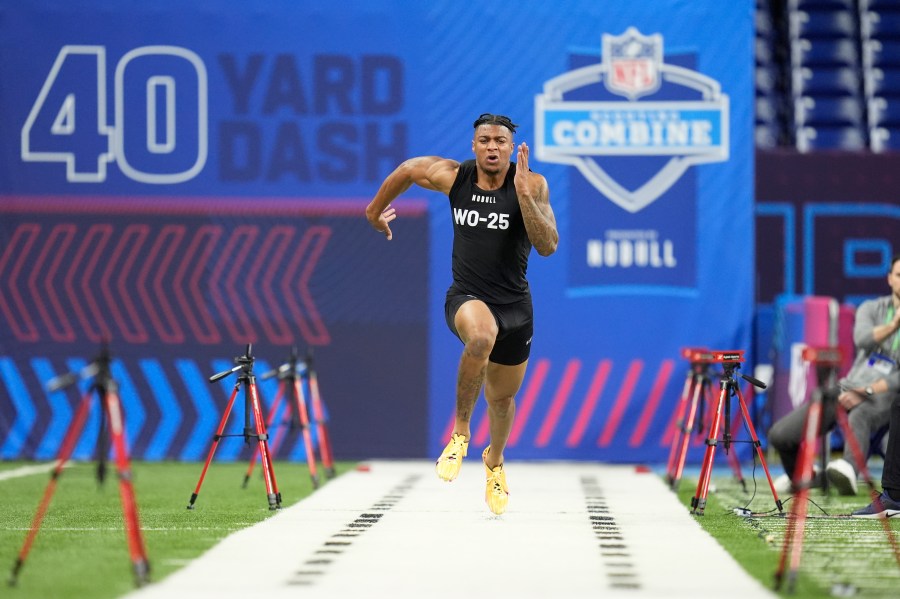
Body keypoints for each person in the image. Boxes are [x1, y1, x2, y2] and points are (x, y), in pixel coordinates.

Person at [365, 113, 558, 515]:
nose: (492, 147)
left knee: (502, 400)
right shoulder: (455, 177)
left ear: (512, 147)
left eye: (500, 141)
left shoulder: (533, 184)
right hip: (467, 297)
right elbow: (408, 169)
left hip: (516, 308)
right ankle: (460, 433)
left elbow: (548, 246)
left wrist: (523, 196)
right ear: (473, 145)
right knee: (481, 337)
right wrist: (374, 211)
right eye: (484, 140)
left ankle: (495, 462)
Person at [768, 254, 900, 496]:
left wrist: (867, 391)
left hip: (886, 395)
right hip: (848, 386)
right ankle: (808, 478)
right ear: (890, 278)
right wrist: (894, 325)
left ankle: (847, 471)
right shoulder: (871, 308)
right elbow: (861, 338)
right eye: (899, 275)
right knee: (780, 435)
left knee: (861, 413)